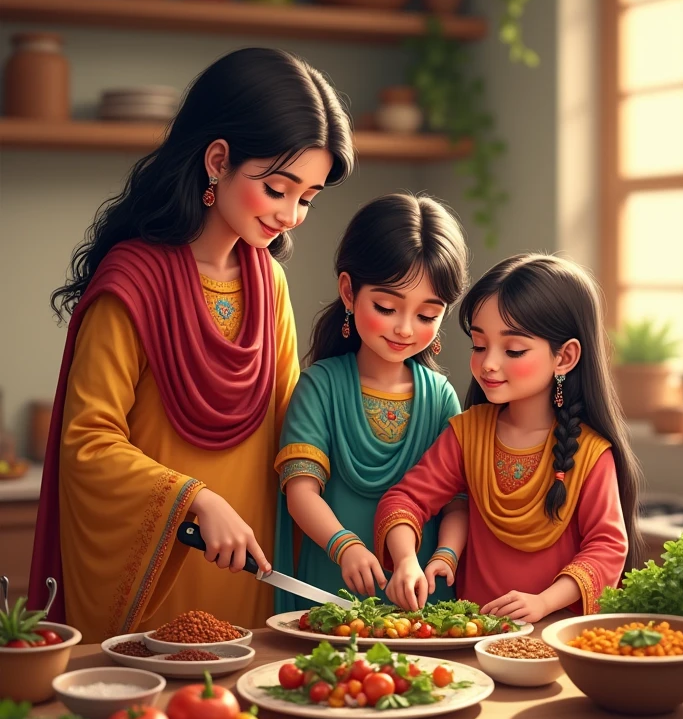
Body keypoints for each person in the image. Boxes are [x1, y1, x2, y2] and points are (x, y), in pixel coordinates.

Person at [28, 48, 354, 642]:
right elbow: (88, 443)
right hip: (164, 560)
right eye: (278, 188)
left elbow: (292, 429)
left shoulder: (268, 283)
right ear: (218, 160)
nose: (291, 215)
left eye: (306, 198)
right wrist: (193, 501)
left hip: (249, 564)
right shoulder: (133, 282)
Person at [375, 253, 643, 623]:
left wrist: (544, 602)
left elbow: (607, 547)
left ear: (564, 357)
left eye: (513, 350)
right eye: (480, 346)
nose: (488, 364)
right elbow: (405, 499)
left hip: (552, 635)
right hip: (472, 633)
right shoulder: (468, 432)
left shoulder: (593, 453)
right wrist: (405, 560)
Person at [273, 193, 469, 613]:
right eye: (386, 306)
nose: (403, 328)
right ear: (348, 292)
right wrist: (344, 547)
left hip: (421, 593)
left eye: (426, 315)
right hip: (333, 582)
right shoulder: (319, 387)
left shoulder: (440, 398)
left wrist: (445, 556)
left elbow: (456, 503)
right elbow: (301, 492)